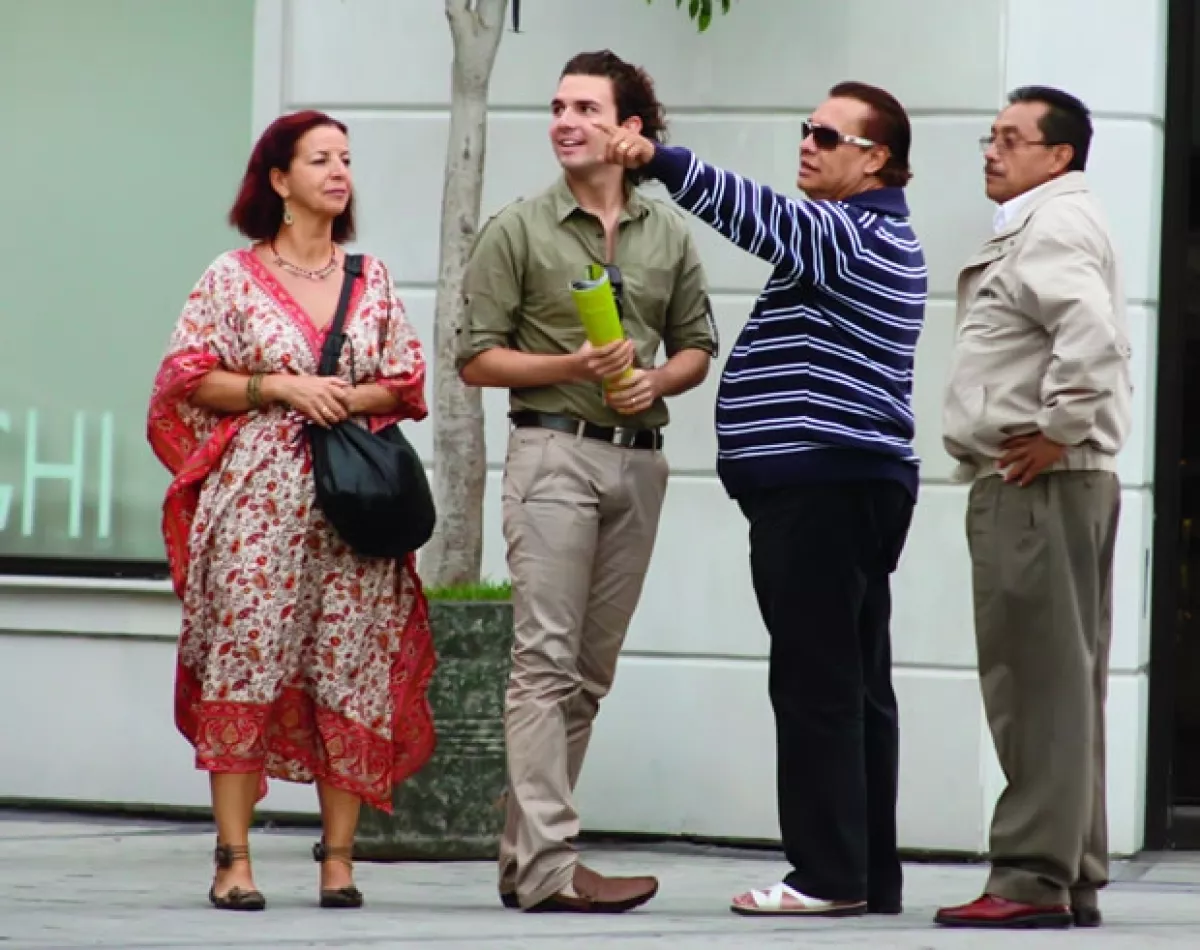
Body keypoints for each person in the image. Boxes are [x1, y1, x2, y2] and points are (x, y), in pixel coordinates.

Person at [599, 82, 926, 917]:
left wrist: (663, 160)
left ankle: (824, 876)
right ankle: (864, 875)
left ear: (873, 157)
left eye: (825, 133)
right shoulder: (867, 233)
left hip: (822, 489)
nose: (807, 142)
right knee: (853, 687)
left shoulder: (858, 232)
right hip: (840, 486)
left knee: (816, 683)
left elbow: (765, 218)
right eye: (805, 128)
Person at [146, 110, 436, 912]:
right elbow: (183, 380)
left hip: (354, 510)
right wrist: (277, 387)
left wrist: (344, 395)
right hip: (255, 510)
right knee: (243, 662)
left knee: (351, 668)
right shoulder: (230, 278)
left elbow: (407, 382)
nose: (340, 173)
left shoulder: (368, 278)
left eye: (346, 159)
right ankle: (233, 862)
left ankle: (339, 861)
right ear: (279, 180)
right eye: (320, 160)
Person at [457, 50, 717, 913]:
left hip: (639, 460)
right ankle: (551, 868)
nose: (565, 121)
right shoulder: (517, 228)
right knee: (544, 662)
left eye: (585, 108)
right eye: (558, 106)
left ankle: (527, 859)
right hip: (552, 453)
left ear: (629, 130)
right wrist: (571, 360)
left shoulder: (668, 232)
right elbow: (474, 358)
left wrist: (657, 382)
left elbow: (696, 346)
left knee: (588, 676)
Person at [934, 87, 1132, 930]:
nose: (992, 150)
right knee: (1065, 685)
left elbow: (1089, 337)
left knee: (1034, 685)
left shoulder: (1050, 225)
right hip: (1058, 481)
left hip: (1035, 484)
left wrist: (1055, 429)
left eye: (1012, 139)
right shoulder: (1059, 221)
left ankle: (1027, 877)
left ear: (1059, 155)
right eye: (992, 135)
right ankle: (1070, 870)